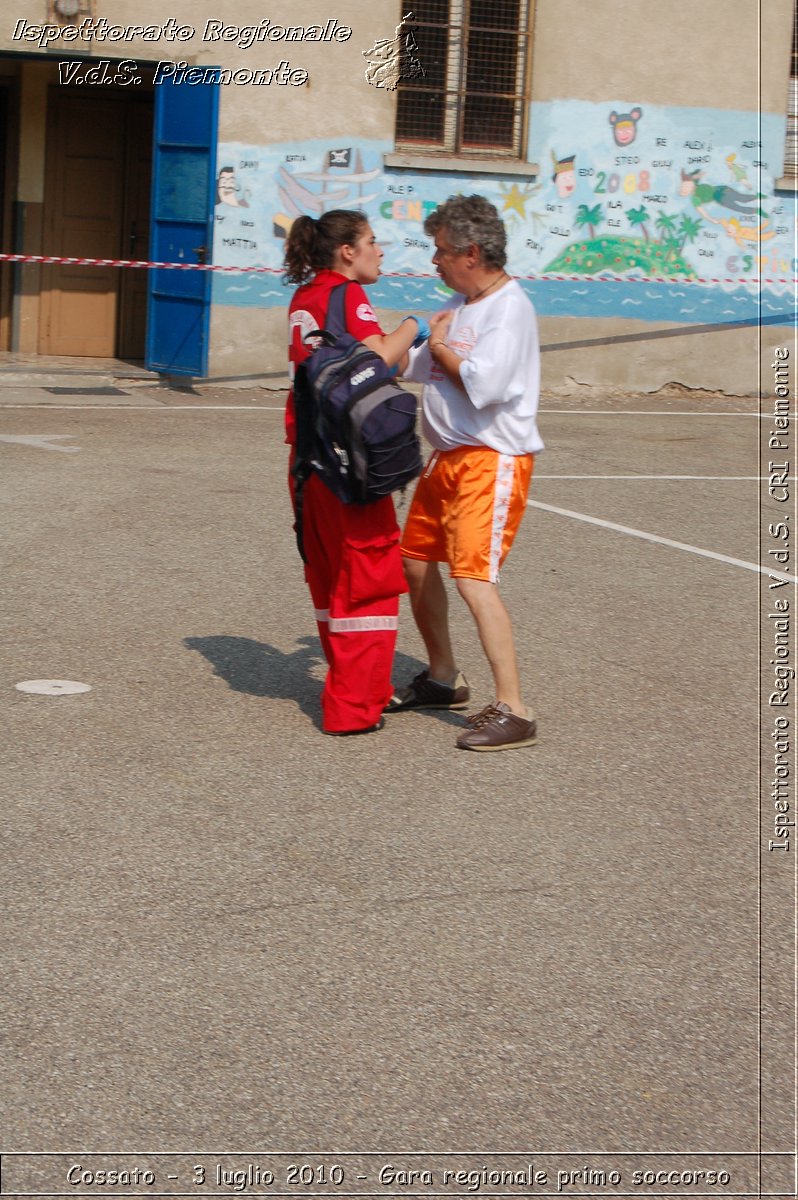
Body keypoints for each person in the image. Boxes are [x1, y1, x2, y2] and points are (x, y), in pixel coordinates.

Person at [387, 194, 543, 752]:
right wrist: (383, 353)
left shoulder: (510, 308)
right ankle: (443, 677)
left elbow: (487, 383)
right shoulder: (462, 302)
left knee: (474, 577)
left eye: (440, 252)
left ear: (470, 252)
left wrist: (444, 344)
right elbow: (423, 365)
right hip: (447, 460)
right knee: (415, 563)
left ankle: (514, 709)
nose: (434, 262)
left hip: (490, 460)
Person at [283, 209, 429, 736]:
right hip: (348, 458)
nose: (380, 249)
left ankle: (356, 686)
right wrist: (415, 326)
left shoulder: (305, 297)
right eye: (372, 240)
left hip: (306, 457)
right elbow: (377, 359)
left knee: (328, 578)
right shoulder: (346, 296)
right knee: (368, 580)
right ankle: (354, 706)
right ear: (347, 250)